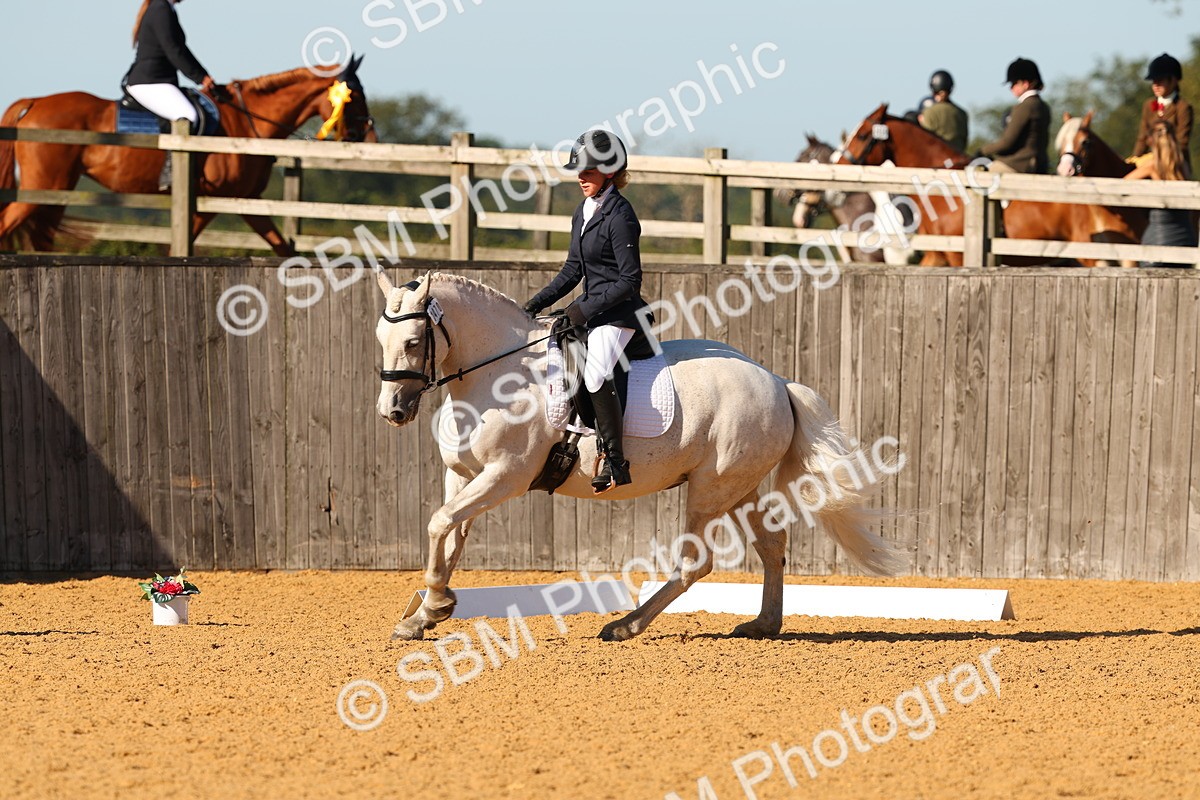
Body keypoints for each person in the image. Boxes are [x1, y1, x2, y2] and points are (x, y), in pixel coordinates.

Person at [523, 130, 649, 494]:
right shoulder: (584, 210)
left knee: (594, 375)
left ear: (609, 173)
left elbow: (629, 280)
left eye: (588, 171)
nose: (580, 177)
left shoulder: (620, 215)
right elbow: (572, 270)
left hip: (621, 315)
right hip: (593, 312)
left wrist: (583, 309)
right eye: (578, 171)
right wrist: (535, 303)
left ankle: (615, 461)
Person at [125, 0, 218, 188]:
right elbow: (173, 50)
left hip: (158, 80)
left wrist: (204, 75)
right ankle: (172, 171)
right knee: (188, 115)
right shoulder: (160, 8)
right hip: (150, 81)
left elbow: (181, 49)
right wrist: (199, 77)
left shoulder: (165, 8)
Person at [1124, 120, 1197, 267]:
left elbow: (1122, 185)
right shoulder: (1184, 167)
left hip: (1157, 237)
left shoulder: (1151, 166)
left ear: (1152, 142)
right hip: (1185, 239)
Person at [976, 57, 1051, 173]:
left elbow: (1007, 143)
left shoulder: (1024, 107)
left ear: (1025, 84)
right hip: (1041, 164)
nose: (1011, 87)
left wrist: (983, 151)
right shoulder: (1044, 107)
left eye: (1014, 83)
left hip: (1019, 164)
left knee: (976, 175)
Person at [1131, 53, 1193, 168]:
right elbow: (1142, 138)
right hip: (1151, 161)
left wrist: (1158, 157)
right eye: (1153, 81)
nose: (1155, 85)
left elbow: (1182, 142)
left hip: (1176, 162)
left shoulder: (1183, 107)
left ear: (1173, 81)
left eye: (1160, 81)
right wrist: (1135, 159)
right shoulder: (1148, 105)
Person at [919, 70, 969, 152]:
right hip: (959, 157)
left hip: (937, 159)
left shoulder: (929, 112)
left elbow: (926, 141)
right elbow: (964, 142)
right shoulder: (962, 113)